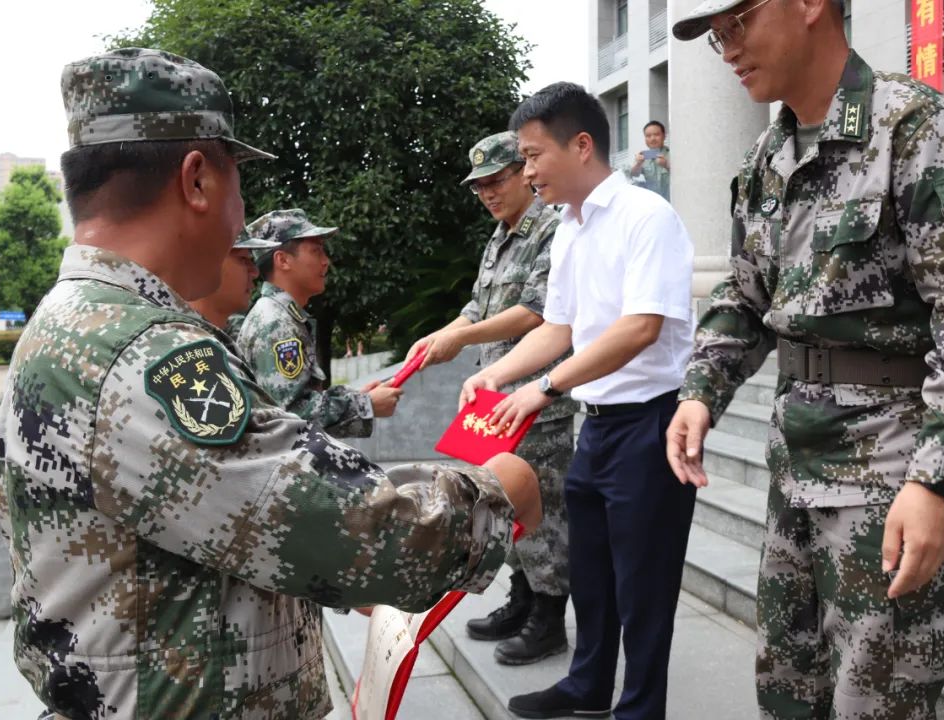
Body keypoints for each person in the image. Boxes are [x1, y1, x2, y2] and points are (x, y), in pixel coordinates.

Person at [0, 47, 542, 720]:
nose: (241, 219)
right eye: (239, 181)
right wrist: (501, 488)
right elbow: (363, 531)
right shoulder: (143, 354)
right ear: (197, 180)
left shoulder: (69, 322)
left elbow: (199, 530)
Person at [668, 2, 944, 718]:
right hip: (795, 461)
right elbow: (745, 297)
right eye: (716, 38)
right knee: (789, 690)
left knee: (879, 699)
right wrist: (700, 390)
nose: (728, 48)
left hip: (890, 468)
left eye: (737, 22)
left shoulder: (914, 127)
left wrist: (936, 481)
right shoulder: (765, 157)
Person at [461, 83, 696, 719]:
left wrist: (545, 387)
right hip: (593, 427)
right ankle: (587, 685)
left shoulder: (647, 218)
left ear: (583, 145)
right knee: (590, 572)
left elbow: (640, 326)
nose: (528, 171)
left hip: (651, 425)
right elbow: (558, 328)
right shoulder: (569, 227)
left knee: (643, 587)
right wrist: (498, 375)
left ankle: (640, 708)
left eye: (534, 156)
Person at [406, 131, 576, 665]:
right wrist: (442, 335)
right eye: (478, 186)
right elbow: (478, 309)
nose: (487, 193)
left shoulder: (551, 229)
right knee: (506, 501)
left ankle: (549, 614)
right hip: (495, 400)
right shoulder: (500, 238)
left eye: (496, 180)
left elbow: (537, 314)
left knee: (544, 511)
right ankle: (522, 596)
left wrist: (462, 338)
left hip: (536, 398)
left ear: (522, 173)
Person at [237, 209, 402, 436]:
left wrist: (357, 397)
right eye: (316, 251)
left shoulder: (280, 315)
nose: (326, 261)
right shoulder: (277, 323)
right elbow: (291, 416)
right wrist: (365, 405)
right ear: (283, 260)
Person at [188, 231, 278, 331]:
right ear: (205, 263)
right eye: (243, 258)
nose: (255, 272)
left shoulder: (226, 335)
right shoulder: (179, 339)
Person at [629, 120, 671, 200]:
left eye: (656, 135)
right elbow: (633, 174)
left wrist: (666, 165)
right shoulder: (642, 156)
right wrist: (638, 164)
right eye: (648, 136)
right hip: (654, 205)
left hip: (674, 203)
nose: (652, 138)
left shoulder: (672, 154)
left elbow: (683, 173)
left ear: (664, 136)